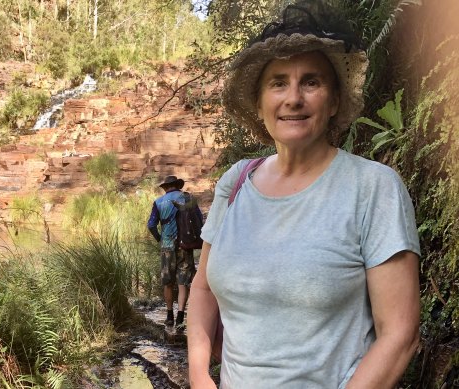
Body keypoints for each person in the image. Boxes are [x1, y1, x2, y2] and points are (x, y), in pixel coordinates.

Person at [187, 1, 421, 388]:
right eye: (278, 82)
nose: (293, 98)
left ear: (333, 101)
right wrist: (198, 373)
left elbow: (400, 334)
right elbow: (202, 287)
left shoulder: (373, 188)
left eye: (311, 81)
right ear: (260, 102)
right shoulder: (236, 182)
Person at [148, 175, 202, 329]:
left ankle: (169, 316)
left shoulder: (158, 202)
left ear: (165, 187)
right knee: (183, 282)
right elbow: (199, 220)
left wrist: (160, 238)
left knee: (168, 283)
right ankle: (180, 318)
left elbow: (151, 225)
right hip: (185, 245)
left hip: (167, 245)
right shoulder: (188, 198)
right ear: (177, 185)